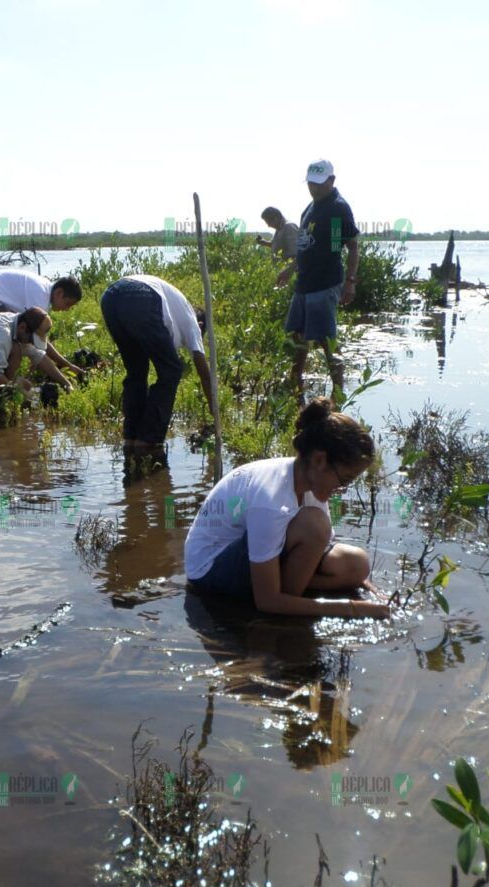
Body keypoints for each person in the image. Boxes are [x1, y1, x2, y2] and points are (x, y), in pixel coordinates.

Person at [184, 398, 390, 619]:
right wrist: (350, 608)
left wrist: (371, 591)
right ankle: (285, 602)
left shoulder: (311, 480)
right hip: (211, 569)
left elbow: (324, 546)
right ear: (320, 460)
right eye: (345, 480)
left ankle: (285, 593)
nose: (343, 489)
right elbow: (266, 602)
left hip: (253, 552)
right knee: (314, 526)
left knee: (356, 565)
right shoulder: (270, 500)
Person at [100, 274, 214, 450]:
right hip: (141, 297)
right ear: (200, 325)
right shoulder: (192, 321)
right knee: (172, 371)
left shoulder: (175, 310)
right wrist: (214, 407)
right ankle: (148, 441)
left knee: (137, 371)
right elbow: (203, 371)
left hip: (110, 297)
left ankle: (131, 439)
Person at [277, 160, 359, 397]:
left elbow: (349, 247)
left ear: (332, 181)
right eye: (311, 183)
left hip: (324, 284)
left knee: (326, 339)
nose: (314, 188)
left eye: (320, 183)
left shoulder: (337, 209)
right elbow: (307, 247)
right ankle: (296, 383)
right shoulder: (309, 209)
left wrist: (350, 281)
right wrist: (290, 269)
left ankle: (338, 391)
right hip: (304, 283)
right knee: (297, 334)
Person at [0, 269, 85, 380]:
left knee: (18, 339)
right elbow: (40, 342)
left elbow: (39, 341)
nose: (66, 309)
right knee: (9, 339)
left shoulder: (46, 291)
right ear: (59, 293)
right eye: (67, 304)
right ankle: (4, 384)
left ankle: (5, 379)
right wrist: (67, 365)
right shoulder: (41, 298)